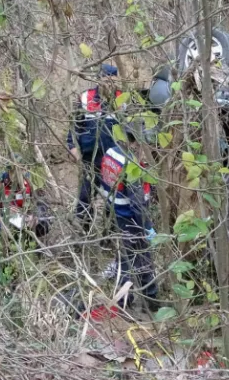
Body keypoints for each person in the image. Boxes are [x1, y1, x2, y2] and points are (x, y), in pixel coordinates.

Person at [98, 125, 159, 311]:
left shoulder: (110, 153)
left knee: (125, 259)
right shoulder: (131, 164)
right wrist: (147, 226)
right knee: (141, 260)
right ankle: (150, 300)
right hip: (132, 219)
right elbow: (138, 204)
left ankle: (126, 302)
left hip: (116, 215)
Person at [67, 64, 124, 231]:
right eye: (105, 81)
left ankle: (109, 234)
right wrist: (72, 148)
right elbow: (74, 127)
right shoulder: (86, 98)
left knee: (112, 199)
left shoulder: (122, 99)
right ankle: (83, 231)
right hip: (89, 159)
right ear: (98, 80)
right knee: (85, 196)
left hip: (114, 162)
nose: (109, 86)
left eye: (112, 82)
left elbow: (132, 129)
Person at [0, 155, 50, 242]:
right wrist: (2, 211)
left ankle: (29, 242)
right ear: (9, 171)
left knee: (43, 225)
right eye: (15, 171)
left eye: (22, 170)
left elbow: (40, 202)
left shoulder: (30, 181)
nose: (19, 174)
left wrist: (34, 216)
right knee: (0, 230)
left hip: (24, 217)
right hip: (3, 219)